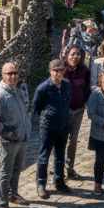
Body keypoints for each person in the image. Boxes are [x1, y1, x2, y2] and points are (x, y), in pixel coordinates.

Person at [0, 62, 31, 208]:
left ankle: (13, 194)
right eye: (9, 74)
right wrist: (9, 135)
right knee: (4, 172)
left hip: (22, 137)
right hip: (8, 141)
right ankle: (2, 204)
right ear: (3, 75)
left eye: (15, 73)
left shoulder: (19, 89)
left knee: (17, 168)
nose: (13, 76)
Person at [32, 59, 73, 199]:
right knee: (44, 156)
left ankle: (59, 181)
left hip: (63, 126)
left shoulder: (67, 85)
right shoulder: (43, 88)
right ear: (51, 72)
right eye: (56, 70)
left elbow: (67, 103)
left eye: (61, 70)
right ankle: (41, 184)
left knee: (60, 156)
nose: (58, 73)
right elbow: (36, 108)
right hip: (48, 126)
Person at [62, 46, 92, 181]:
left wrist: (85, 101)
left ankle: (70, 168)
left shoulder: (84, 71)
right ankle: (58, 168)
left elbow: (87, 87)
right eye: (73, 54)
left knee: (72, 140)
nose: (75, 57)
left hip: (78, 110)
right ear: (67, 55)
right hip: (62, 111)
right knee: (60, 138)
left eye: (78, 54)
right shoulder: (61, 70)